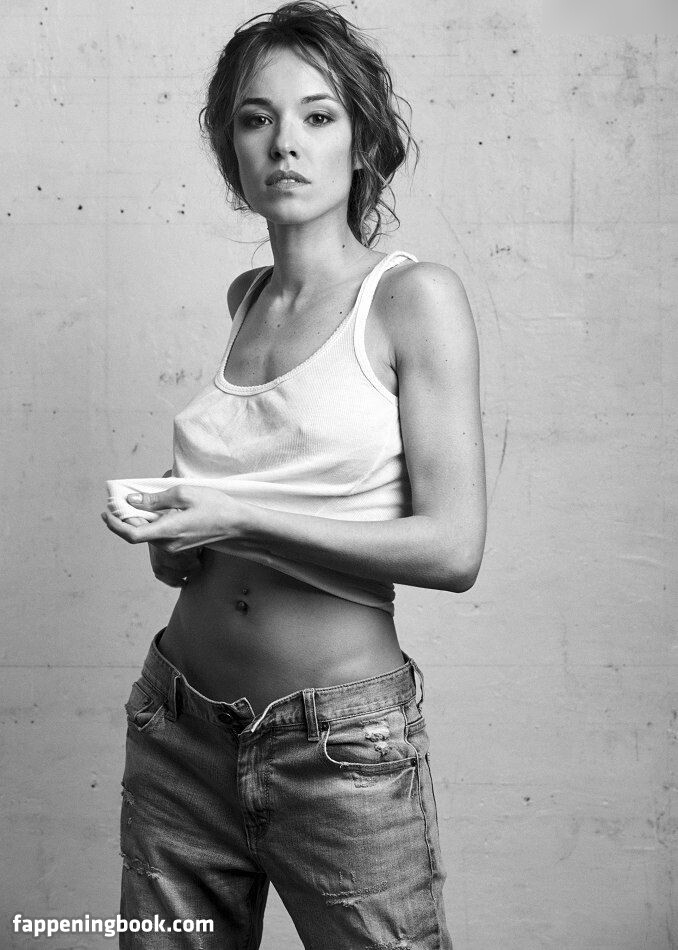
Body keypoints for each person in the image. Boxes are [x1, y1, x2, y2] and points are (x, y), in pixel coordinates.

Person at [101, 2, 486, 947]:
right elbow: (255, 488)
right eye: (255, 117)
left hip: (339, 747)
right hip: (179, 724)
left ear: (363, 139)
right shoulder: (248, 299)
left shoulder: (411, 299)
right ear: (230, 147)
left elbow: (453, 549)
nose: (284, 143)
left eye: (317, 115)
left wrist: (236, 515)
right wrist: (174, 539)